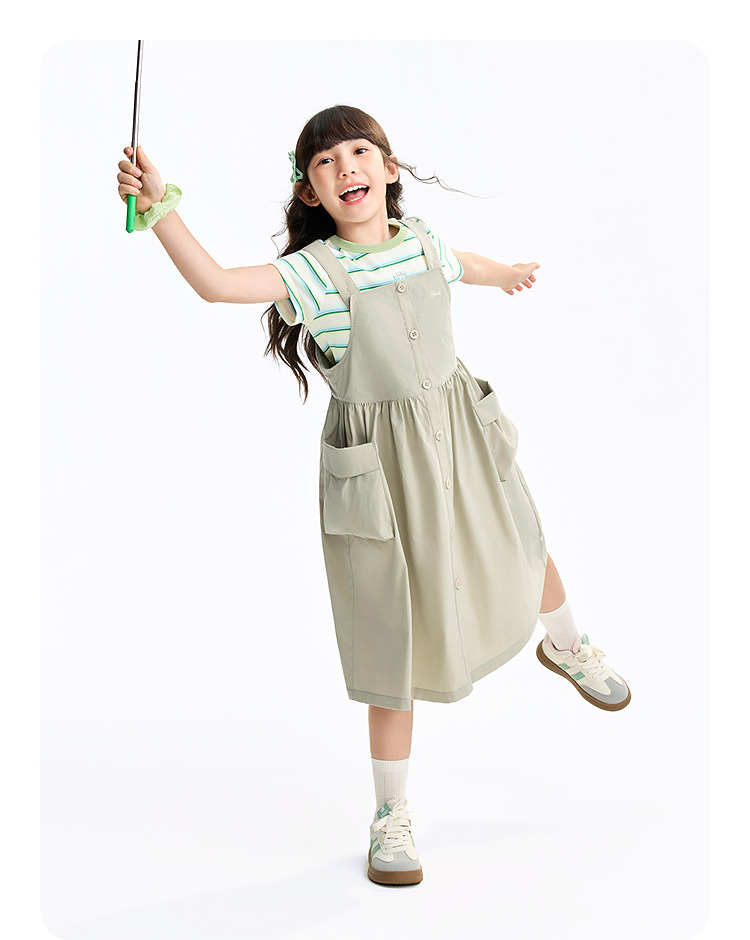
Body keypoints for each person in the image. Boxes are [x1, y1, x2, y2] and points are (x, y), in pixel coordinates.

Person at [116, 103, 631, 888]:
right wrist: (160, 207)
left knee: (522, 539)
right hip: (382, 471)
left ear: (389, 170)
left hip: (460, 433)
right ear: (311, 192)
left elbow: (461, 262)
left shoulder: (421, 240)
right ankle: (391, 814)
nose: (345, 167)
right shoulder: (312, 273)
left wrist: (504, 274)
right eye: (324, 162)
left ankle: (565, 645)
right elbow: (216, 284)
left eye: (359, 152)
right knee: (393, 631)